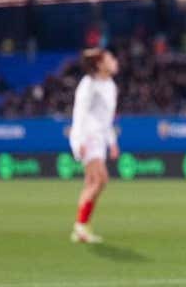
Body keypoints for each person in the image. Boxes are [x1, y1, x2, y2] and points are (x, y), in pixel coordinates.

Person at [69, 48, 120, 244]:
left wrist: (112, 142)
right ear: (100, 64)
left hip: (99, 139)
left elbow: (106, 119)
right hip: (87, 137)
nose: (115, 61)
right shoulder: (88, 84)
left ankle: (82, 227)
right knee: (100, 180)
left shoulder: (111, 86)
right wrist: (78, 141)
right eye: (110, 58)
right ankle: (80, 225)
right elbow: (79, 114)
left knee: (93, 183)